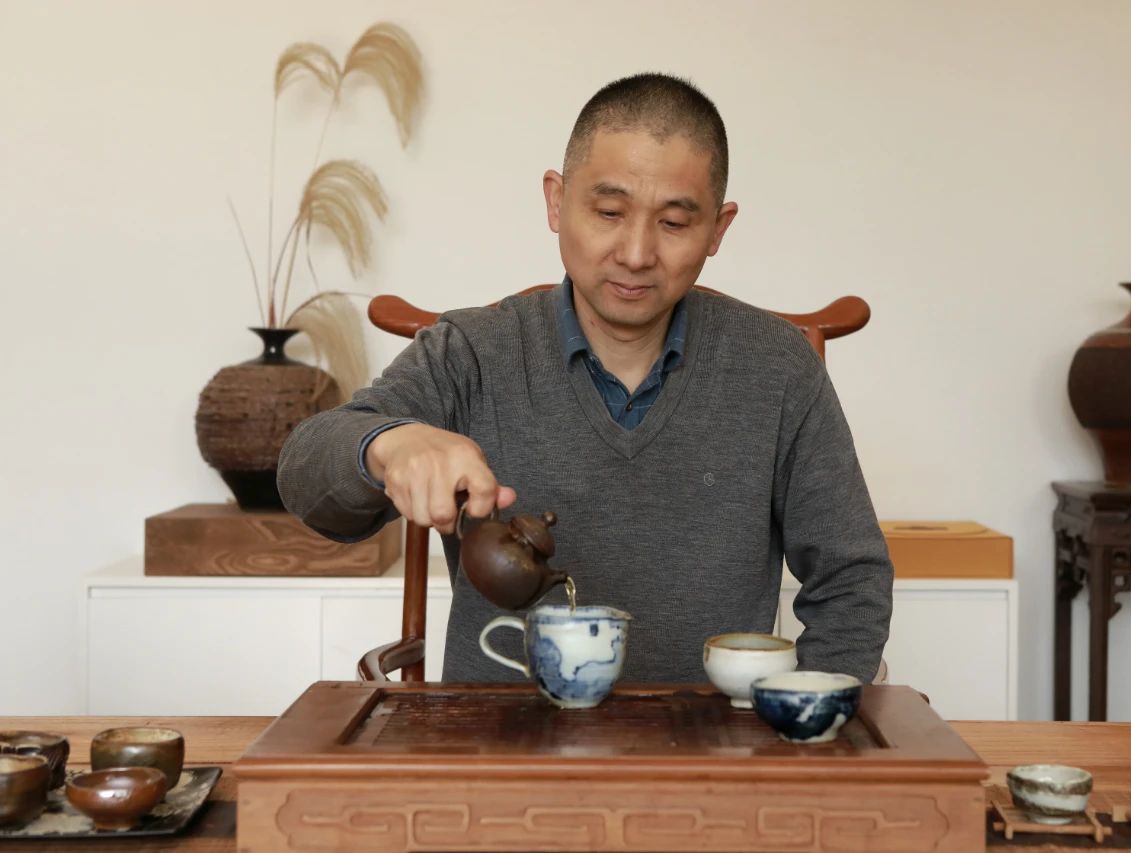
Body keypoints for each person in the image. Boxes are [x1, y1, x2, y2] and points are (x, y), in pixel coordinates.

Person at [278, 72, 893, 684]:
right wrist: (388, 444)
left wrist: (805, 719)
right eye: (608, 212)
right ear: (556, 201)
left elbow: (851, 580)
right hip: (494, 738)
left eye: (674, 223)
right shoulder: (473, 352)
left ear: (718, 229)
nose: (635, 253)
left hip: (712, 740)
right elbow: (306, 478)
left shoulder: (777, 367)